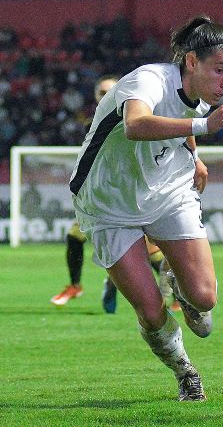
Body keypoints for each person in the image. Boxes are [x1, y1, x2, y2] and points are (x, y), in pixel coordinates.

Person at [69, 14, 223, 401]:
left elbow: (189, 118)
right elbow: (137, 124)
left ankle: (179, 284)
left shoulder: (200, 99)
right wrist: (204, 129)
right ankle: (185, 372)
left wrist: (195, 157)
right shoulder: (148, 79)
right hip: (107, 202)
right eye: (221, 70)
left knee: (205, 300)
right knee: (150, 311)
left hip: (167, 190)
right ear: (191, 62)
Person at [51, 75, 183, 314]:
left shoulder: (140, 115)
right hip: (105, 193)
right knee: (76, 235)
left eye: (108, 92)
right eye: (101, 93)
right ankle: (76, 285)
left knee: (151, 251)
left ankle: (177, 294)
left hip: (137, 192)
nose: (104, 96)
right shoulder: (94, 121)